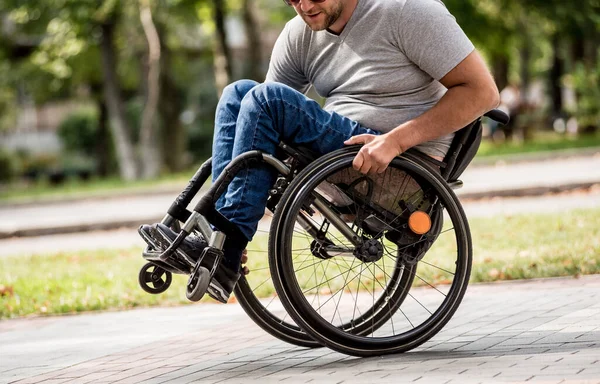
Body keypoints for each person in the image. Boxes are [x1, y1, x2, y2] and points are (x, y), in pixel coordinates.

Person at [141, 0, 500, 303]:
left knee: (267, 99)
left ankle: (225, 247)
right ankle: (216, 242)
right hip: (339, 151)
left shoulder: (407, 10)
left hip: (402, 163)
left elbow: (483, 93)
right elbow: (254, 118)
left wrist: (396, 141)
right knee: (238, 94)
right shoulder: (299, 34)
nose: (305, 6)